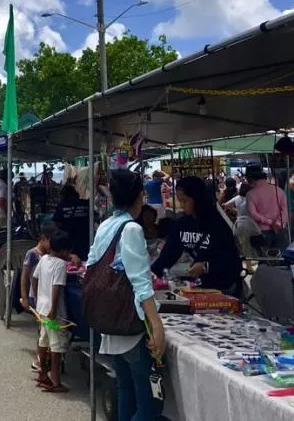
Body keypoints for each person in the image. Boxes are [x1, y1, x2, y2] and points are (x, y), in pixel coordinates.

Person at [88, 170, 165, 421]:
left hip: (110, 322)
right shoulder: (131, 228)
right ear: (140, 197)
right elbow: (141, 282)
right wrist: (156, 325)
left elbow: (93, 266)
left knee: (126, 390)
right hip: (130, 327)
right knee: (150, 403)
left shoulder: (106, 225)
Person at [152, 175, 241, 294]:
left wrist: (206, 266)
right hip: (198, 286)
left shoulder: (218, 224)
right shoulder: (182, 225)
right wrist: (152, 273)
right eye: (180, 201)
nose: (182, 205)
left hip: (223, 286)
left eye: (184, 201)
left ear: (197, 197)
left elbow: (232, 261)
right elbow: (168, 254)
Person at [31, 229, 73, 394]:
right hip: (54, 312)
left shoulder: (44, 259)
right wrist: (54, 308)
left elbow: (34, 278)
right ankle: (54, 378)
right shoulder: (61, 265)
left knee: (44, 340)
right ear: (64, 251)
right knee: (57, 344)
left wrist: (36, 297)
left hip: (42, 308)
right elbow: (56, 288)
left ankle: (42, 372)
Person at [20, 227, 52, 373]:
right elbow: (24, 277)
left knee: (45, 329)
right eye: (50, 241)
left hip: (46, 296)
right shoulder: (32, 254)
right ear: (43, 239)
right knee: (41, 329)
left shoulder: (50, 254)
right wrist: (25, 298)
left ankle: (45, 358)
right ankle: (40, 360)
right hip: (35, 297)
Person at [245, 164, 289, 251]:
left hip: (261, 231)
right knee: (280, 258)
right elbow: (284, 209)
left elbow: (253, 213)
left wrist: (269, 222)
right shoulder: (279, 190)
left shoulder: (250, 194)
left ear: (252, 179)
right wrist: (278, 223)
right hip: (280, 229)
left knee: (264, 260)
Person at [52, 183, 92, 259]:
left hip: (69, 240)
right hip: (85, 238)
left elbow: (56, 223)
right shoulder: (86, 203)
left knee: (70, 262)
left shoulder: (62, 205)